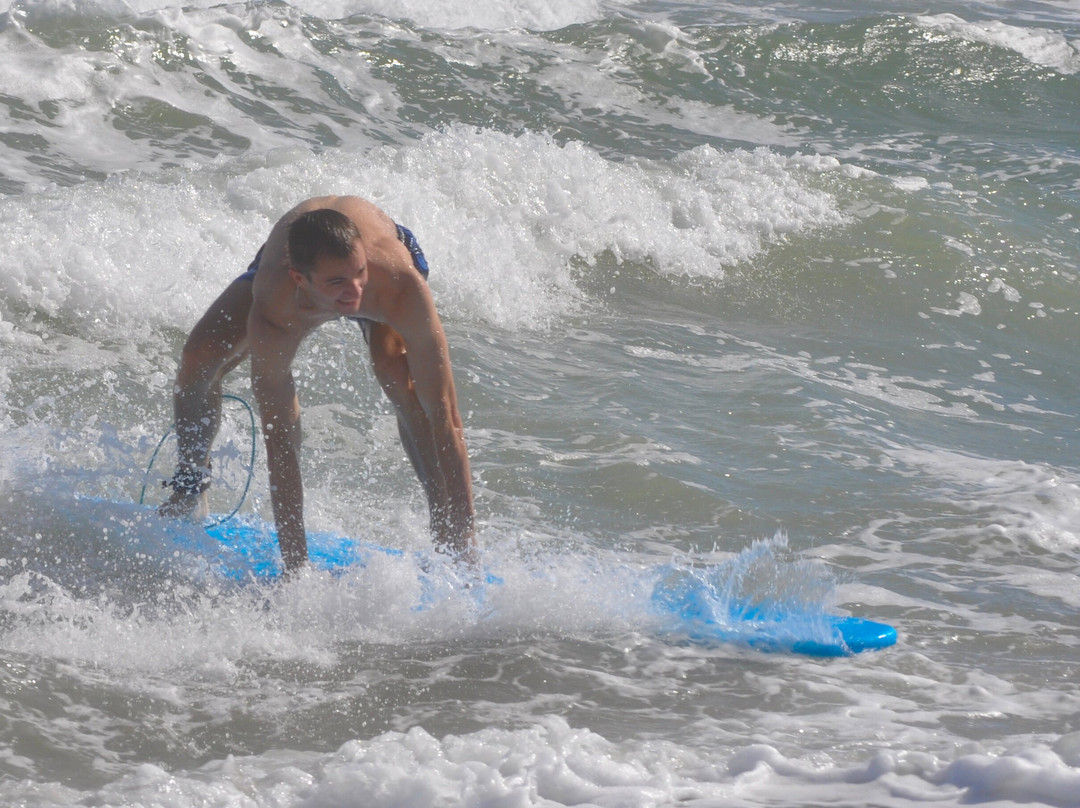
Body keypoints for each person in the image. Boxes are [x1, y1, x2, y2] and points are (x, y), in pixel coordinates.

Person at [158, 196, 476, 571]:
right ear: (300, 279)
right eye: (339, 283)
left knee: (398, 376)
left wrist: (467, 553)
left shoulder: (397, 285)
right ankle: (190, 488)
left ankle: (449, 537)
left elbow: (447, 419)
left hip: (376, 256)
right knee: (199, 356)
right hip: (293, 260)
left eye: (359, 274)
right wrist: (296, 569)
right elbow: (280, 439)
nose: (355, 291)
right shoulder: (275, 310)